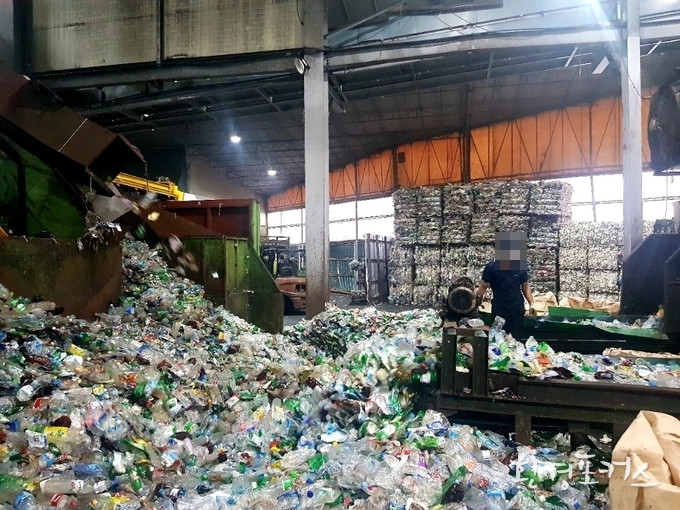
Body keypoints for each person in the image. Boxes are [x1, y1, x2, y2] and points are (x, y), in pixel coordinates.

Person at [475, 232, 534, 340]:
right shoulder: (491, 268)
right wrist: (474, 304)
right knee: (499, 339)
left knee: (516, 339)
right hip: (500, 309)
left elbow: (525, 286)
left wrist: (532, 303)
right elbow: (482, 288)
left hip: (517, 308)